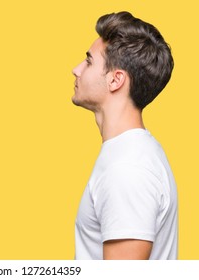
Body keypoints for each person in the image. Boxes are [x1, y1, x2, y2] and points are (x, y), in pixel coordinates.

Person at [72, 11, 178, 260]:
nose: (76, 70)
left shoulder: (127, 170)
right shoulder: (131, 154)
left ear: (115, 80)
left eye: (88, 61)